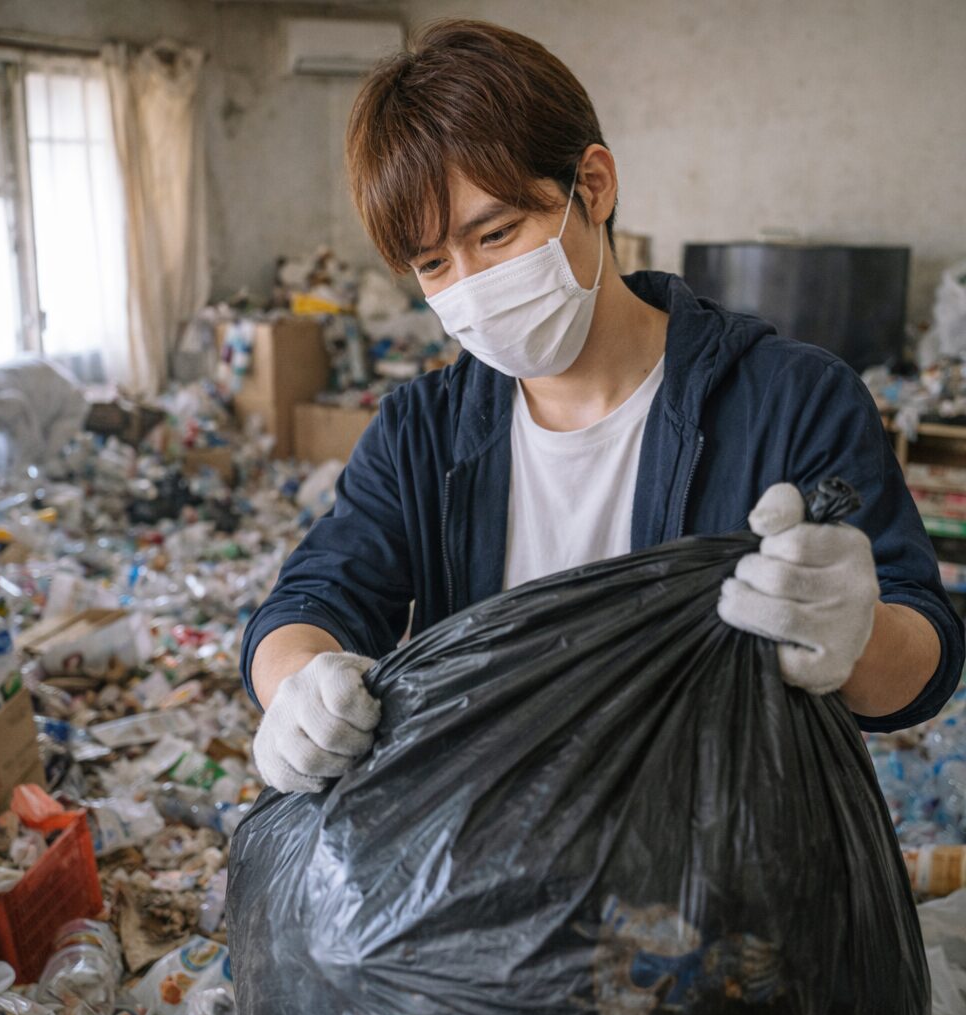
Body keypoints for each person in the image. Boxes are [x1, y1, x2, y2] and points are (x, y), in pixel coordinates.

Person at [243, 19, 964, 794]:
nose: (471, 286)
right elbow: (316, 597)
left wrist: (857, 635)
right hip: (490, 860)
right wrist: (296, 688)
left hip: (724, 871)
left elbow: (919, 667)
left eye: (495, 234)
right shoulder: (424, 431)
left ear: (592, 187)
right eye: (433, 264)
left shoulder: (793, 400)